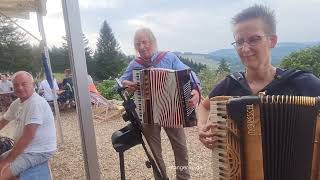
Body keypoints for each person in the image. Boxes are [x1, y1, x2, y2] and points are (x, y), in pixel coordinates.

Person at [197, 4, 320, 149]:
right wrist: (202, 127)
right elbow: (204, 106)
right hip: (238, 171)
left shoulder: (302, 82)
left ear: (272, 41)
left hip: (298, 171)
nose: (245, 48)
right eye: (240, 41)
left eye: (254, 39)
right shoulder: (231, 84)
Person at [119, 27, 201, 180]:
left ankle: (183, 177)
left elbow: (189, 74)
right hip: (147, 111)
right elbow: (121, 81)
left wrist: (196, 90)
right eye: (138, 44)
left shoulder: (168, 57)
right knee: (154, 150)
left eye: (145, 42)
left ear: (153, 42)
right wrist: (126, 82)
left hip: (171, 109)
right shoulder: (134, 64)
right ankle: (161, 177)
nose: (142, 47)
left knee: (180, 148)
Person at [0, 71, 57, 179]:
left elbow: (28, 137)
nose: (20, 88)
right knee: (1, 158)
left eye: (24, 84)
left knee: (2, 172)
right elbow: (3, 121)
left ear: (33, 85)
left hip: (38, 151)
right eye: (16, 85)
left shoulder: (36, 103)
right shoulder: (17, 102)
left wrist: (8, 160)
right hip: (28, 148)